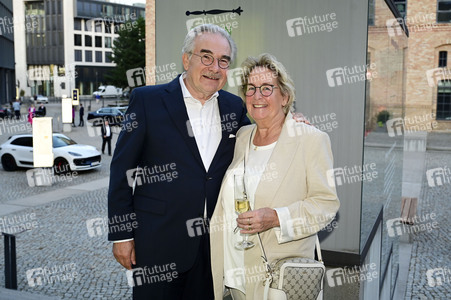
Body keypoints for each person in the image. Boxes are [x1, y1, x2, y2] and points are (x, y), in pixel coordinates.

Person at [108, 24, 250, 300]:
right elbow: (122, 170)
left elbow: (258, 139)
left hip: (212, 247)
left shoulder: (234, 107)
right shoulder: (147, 101)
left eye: (223, 61)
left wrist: (291, 124)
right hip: (157, 244)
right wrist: (121, 235)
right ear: (187, 59)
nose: (215, 67)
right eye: (206, 57)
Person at [209, 54, 340, 299]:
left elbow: (326, 205)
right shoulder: (241, 137)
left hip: (277, 281)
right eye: (251, 89)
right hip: (235, 276)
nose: (257, 96)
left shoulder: (310, 139)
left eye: (267, 88)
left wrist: (277, 217)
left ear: (285, 97)